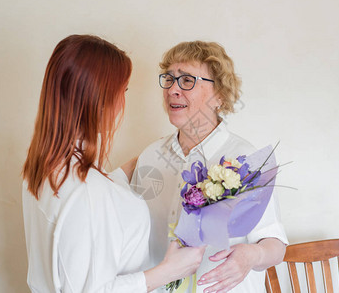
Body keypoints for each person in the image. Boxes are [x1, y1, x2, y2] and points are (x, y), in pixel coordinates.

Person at [21, 35, 205, 293]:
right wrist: (169, 271)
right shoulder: (88, 191)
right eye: (124, 91)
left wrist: (154, 155)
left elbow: (87, 213)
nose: (123, 103)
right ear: (99, 99)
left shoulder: (42, 167)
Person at [119, 41, 288, 293]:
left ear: (220, 94)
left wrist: (251, 255)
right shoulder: (150, 156)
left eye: (187, 80)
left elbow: (275, 245)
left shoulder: (244, 158)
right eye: (169, 79)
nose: (173, 90)